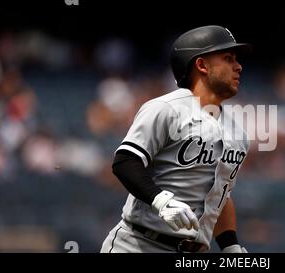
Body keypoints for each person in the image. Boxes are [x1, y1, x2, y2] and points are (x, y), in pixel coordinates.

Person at [100, 25, 252, 253]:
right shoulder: (165, 108)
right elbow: (125, 162)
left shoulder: (238, 134)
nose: (238, 66)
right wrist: (160, 200)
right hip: (137, 244)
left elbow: (221, 196)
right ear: (201, 65)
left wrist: (230, 246)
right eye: (228, 58)